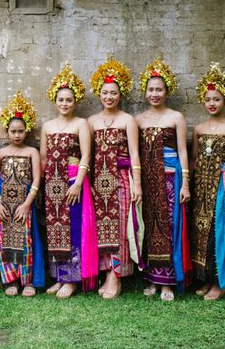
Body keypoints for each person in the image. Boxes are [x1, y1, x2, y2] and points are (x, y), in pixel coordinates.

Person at [135, 57, 192, 302]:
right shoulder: (138, 120)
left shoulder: (176, 117)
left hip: (169, 177)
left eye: (159, 89)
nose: (155, 93)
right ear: (145, 92)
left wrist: (186, 183)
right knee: (148, 227)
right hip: (147, 180)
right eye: (151, 89)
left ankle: (167, 281)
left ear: (167, 91)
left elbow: (182, 151)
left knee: (168, 227)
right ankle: (151, 278)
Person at [40, 63, 99, 298]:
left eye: (69, 100)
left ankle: (73, 279)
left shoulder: (81, 124)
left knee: (73, 229)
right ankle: (58, 276)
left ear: (75, 102)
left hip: (74, 181)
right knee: (55, 229)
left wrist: (77, 183)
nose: (65, 104)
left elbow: (86, 155)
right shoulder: (47, 126)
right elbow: (44, 157)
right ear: (55, 100)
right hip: (52, 182)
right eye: (61, 99)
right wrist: (44, 184)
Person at [87, 57, 142, 299]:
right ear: (99, 94)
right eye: (105, 92)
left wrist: (137, 183)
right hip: (97, 181)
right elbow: (87, 155)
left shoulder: (127, 120)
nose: (109, 97)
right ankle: (103, 269)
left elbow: (134, 153)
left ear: (121, 95)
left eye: (114, 93)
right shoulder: (91, 122)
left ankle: (115, 275)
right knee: (101, 228)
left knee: (119, 226)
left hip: (120, 179)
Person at [191, 62, 225, 301]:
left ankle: (220, 283)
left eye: (217, 99)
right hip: (201, 188)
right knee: (202, 234)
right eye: (208, 99)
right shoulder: (198, 129)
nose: (212, 103)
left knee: (218, 232)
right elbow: (193, 161)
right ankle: (207, 278)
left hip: (221, 188)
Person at [0, 92, 44, 297]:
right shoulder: (1, 153)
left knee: (26, 241)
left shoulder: (31, 152)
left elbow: (37, 179)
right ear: (7, 131)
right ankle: (11, 281)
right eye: (13, 131)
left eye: (21, 131)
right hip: (5, 205)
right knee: (6, 241)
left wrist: (27, 204)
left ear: (26, 131)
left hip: (24, 204)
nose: (17, 135)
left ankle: (27, 281)